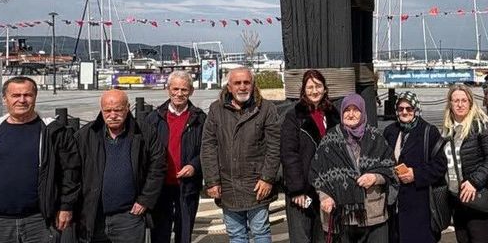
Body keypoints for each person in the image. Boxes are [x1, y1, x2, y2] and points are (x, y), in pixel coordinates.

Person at [0, 76, 80, 243]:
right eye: (15, 95)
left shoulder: (54, 133)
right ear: (5, 99)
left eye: (27, 95)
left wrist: (66, 206)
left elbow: (70, 172)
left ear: (35, 97)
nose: (22, 100)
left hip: (40, 221)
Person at [202, 68, 281, 243]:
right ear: (229, 87)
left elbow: (274, 146)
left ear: (253, 85)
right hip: (227, 184)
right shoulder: (216, 109)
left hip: (257, 184)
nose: (243, 87)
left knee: (260, 231)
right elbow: (209, 146)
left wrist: (268, 178)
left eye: (247, 82)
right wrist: (212, 181)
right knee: (236, 234)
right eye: (237, 83)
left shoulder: (266, 108)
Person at [76, 88, 166, 243]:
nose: (112, 115)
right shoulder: (86, 134)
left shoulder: (144, 132)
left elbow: (157, 167)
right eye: (107, 111)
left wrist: (145, 200)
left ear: (127, 107)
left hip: (129, 217)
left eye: (117, 110)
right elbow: (72, 171)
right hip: (95, 216)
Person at [310, 93, 396, 243]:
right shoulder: (330, 139)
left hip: (373, 214)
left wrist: (376, 177)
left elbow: (391, 167)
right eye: (346, 110)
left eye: (355, 110)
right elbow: (316, 172)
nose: (351, 114)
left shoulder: (376, 137)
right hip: (341, 216)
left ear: (363, 112)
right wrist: (324, 196)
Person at [144, 70, 207, 243]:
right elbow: (146, 152)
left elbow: (207, 149)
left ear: (191, 92)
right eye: (175, 89)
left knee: (184, 232)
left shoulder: (200, 119)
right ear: (168, 89)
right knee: (160, 232)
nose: (179, 94)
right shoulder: (153, 118)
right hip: (161, 185)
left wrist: (194, 165)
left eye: (184, 90)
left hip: (187, 185)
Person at [281, 69, 341, 243]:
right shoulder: (294, 116)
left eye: (318, 86)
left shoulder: (333, 115)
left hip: (327, 188)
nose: (315, 91)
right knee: (302, 237)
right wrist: (297, 189)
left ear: (324, 88)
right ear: (303, 90)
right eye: (310, 87)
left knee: (324, 237)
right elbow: (289, 153)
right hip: (302, 188)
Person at [383, 91, 448, 243]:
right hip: (395, 204)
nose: (404, 112)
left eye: (409, 108)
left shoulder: (428, 131)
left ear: (416, 109)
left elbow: (440, 165)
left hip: (420, 204)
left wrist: (416, 174)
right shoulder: (390, 131)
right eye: (401, 108)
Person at [442, 84, 488, 243]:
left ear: (470, 103)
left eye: (464, 100)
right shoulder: (448, 130)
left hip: (476, 195)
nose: (460, 104)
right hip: (456, 197)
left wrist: (474, 182)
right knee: (462, 239)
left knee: (479, 239)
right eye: (455, 101)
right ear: (450, 104)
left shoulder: (481, 126)